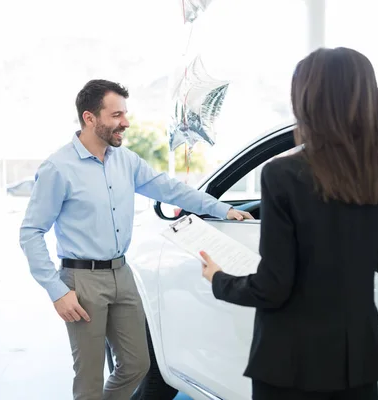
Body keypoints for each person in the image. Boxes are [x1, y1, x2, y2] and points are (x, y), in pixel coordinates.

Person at [200, 47, 378, 400]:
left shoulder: (283, 174)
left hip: (288, 364)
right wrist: (362, 248)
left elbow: (273, 287)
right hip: (357, 363)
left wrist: (219, 279)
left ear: (307, 100)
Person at [19, 79, 252, 400]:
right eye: (116, 115)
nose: (125, 123)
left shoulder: (126, 161)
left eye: (125, 114)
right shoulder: (58, 168)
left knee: (136, 364)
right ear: (90, 118)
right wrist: (57, 291)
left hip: (123, 275)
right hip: (81, 280)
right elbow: (31, 232)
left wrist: (222, 209)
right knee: (88, 378)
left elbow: (171, 190)